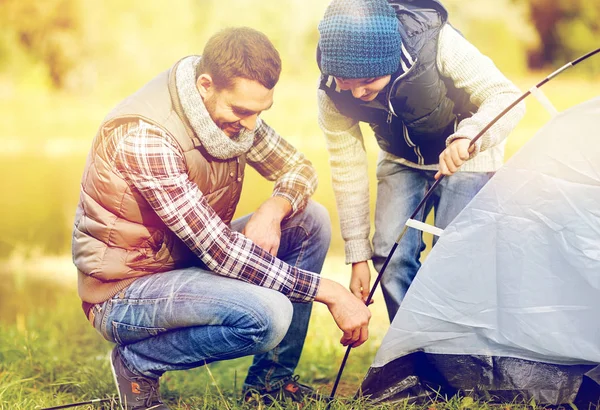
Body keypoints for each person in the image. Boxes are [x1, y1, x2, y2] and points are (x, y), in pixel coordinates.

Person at [72, 27, 371, 410]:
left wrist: (274, 207)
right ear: (205, 85)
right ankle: (137, 364)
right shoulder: (147, 137)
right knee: (269, 315)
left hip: (182, 259)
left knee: (309, 219)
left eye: (260, 112)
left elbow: (300, 169)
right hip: (124, 292)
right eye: (243, 112)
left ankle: (270, 384)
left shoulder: (232, 114)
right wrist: (330, 292)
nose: (250, 125)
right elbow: (222, 253)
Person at [316, 0, 526, 322]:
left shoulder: (432, 40)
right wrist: (358, 253)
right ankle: (413, 351)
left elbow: (506, 97)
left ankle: (458, 351)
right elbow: (347, 170)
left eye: (367, 81)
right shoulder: (331, 91)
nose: (356, 93)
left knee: (455, 257)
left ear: (389, 59)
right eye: (346, 81)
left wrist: (469, 137)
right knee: (389, 255)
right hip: (401, 160)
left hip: (468, 156)